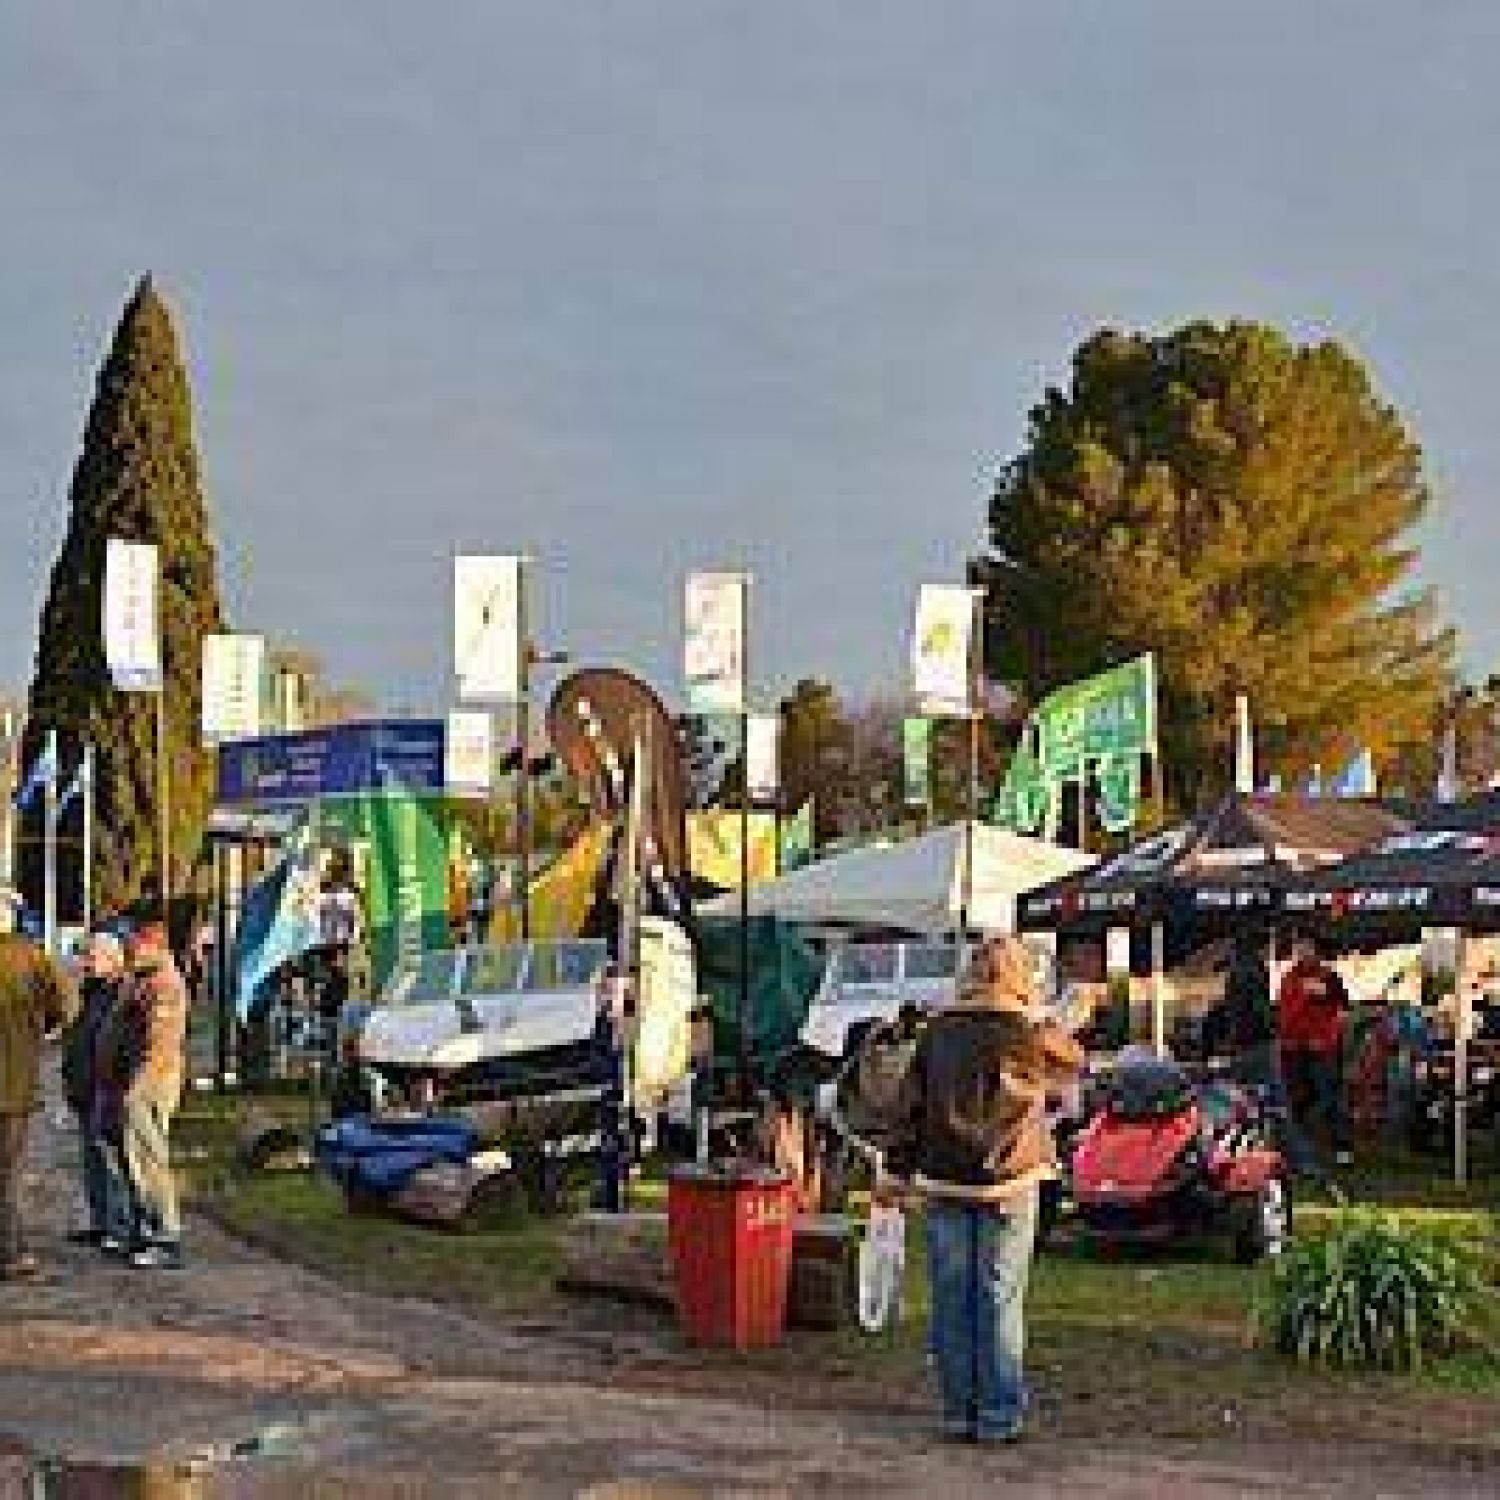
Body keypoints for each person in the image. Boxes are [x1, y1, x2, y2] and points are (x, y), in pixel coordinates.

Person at [882, 936, 1083, 1444]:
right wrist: (1046, 1017)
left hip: (945, 1178)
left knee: (952, 1299)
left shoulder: (938, 1032)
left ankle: (958, 1410)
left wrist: (895, 1172)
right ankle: (998, 1415)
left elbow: (909, 1109)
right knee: (1000, 1298)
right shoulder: (1028, 1031)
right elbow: (1072, 1068)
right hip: (1011, 1179)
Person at [0, 894, 80, 1281]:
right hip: (15, 1084)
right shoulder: (32, 957)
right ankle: (10, 1254)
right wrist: (38, 1031)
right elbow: (66, 1005)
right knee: (8, 1172)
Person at [108, 922, 190, 1269]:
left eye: (137, 947)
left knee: (152, 1157)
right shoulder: (144, 981)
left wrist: (138, 1090)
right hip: (138, 1081)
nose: (131, 953)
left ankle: (167, 1235)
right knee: (136, 1158)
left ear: (155, 947)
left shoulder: (166, 985)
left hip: (153, 1083)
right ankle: (145, 1227)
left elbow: (161, 1046)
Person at [60, 930, 131, 1251]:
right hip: (85, 1087)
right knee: (91, 1160)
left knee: (109, 1160)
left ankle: (117, 1226)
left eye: (91, 956)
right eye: (84, 956)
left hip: (106, 1087)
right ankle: (101, 1222)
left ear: (113, 959)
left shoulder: (120, 992)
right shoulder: (92, 992)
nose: (84, 963)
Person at [1277, 937, 1351, 1166]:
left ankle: (1341, 1147)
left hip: (1322, 1047)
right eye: (1298, 949)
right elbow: (1283, 1009)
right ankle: (1296, 1148)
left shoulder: (1329, 977)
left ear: (1316, 952)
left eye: (1306, 949)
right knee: (1297, 1098)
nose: (1301, 953)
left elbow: (1344, 1007)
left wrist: (1331, 1033)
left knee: (1330, 1096)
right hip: (1293, 1046)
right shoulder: (1289, 977)